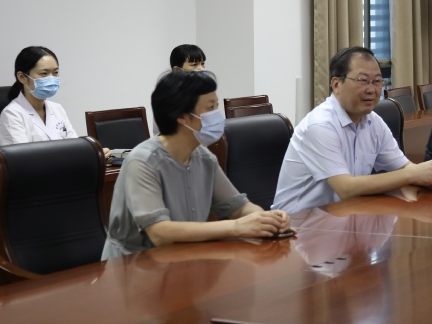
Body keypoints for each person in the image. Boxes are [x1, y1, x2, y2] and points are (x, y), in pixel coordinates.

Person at [102, 70, 293, 259]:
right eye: (210, 108)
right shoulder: (143, 162)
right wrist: (236, 227)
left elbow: (238, 207)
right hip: (134, 265)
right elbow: (160, 233)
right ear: (182, 116)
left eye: (216, 107)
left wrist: (267, 220)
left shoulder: (203, 157)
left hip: (185, 258)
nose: (217, 116)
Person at [272, 46, 432, 214]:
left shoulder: (374, 122)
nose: (372, 90)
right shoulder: (320, 125)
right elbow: (346, 188)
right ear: (336, 84)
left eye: (377, 82)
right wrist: (412, 174)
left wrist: (431, 173)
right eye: (363, 81)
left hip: (347, 216)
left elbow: (404, 167)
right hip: (298, 225)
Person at [0, 46, 79, 145]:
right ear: (22, 77)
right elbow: (21, 153)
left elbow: (75, 145)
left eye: (55, 72)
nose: (51, 79)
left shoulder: (57, 109)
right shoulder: (12, 114)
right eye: (44, 73)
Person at [153, 44, 208, 135]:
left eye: (202, 64)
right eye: (194, 65)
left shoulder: (200, 91)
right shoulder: (169, 95)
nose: (201, 69)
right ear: (177, 70)